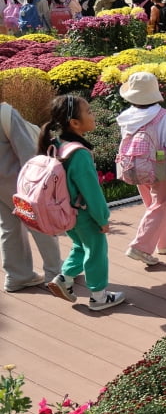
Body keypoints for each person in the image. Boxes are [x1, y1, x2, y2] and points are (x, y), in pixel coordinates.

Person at [43, 95, 125, 311]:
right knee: (96, 251)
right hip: (85, 213)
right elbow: (92, 192)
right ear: (75, 123)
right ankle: (98, 296)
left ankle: (65, 279)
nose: (93, 114)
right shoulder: (79, 154)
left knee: (81, 246)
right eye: (88, 111)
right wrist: (103, 218)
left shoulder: (57, 144)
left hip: (66, 211)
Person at [116, 72, 166, 267]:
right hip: (158, 166)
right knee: (160, 204)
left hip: (133, 166)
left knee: (152, 204)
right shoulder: (162, 116)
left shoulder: (127, 117)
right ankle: (140, 246)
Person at [0, 93, 62, 292]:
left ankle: (17, 275)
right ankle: (55, 272)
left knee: (9, 227)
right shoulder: (4, 113)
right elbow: (26, 150)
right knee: (41, 223)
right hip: (19, 181)